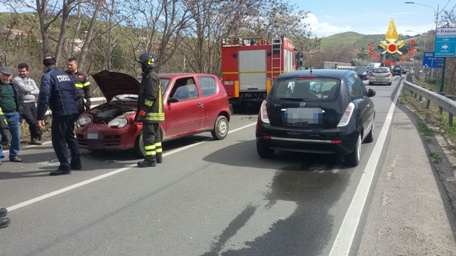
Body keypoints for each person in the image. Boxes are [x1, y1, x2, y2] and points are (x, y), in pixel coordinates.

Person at [37, 56, 81, 176]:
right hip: (73, 109)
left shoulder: (47, 76)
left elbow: (44, 97)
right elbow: (75, 93)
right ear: (55, 63)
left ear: (44, 66)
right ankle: (76, 162)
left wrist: (40, 116)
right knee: (70, 136)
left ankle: (64, 166)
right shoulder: (66, 75)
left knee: (58, 139)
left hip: (61, 111)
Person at [135, 53, 165, 167]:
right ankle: (158, 156)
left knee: (148, 136)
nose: (140, 66)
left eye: (141, 64)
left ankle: (150, 159)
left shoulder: (151, 77)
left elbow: (151, 96)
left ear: (146, 64)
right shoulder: (152, 75)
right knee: (156, 135)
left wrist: (144, 109)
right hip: (155, 113)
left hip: (151, 113)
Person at [12, 63, 43, 145]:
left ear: (28, 71)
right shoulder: (16, 80)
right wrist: (30, 90)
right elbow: (25, 88)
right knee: (31, 121)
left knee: (34, 120)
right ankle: (39, 133)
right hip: (24, 104)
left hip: (32, 102)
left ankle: (34, 138)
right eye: (20, 71)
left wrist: (29, 92)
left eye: (24, 71)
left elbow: (38, 91)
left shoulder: (31, 80)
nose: (22, 73)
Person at [0, 66, 24, 163]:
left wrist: (19, 112)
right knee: (0, 137)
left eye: (8, 76)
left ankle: (14, 155)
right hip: (1, 115)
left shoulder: (14, 86)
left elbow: (20, 100)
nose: (6, 78)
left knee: (16, 136)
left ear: (11, 76)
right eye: (4, 75)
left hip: (14, 114)